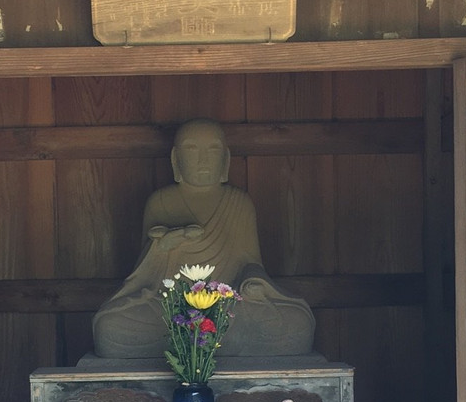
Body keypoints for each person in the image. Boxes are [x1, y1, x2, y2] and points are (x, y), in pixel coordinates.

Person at [92, 119, 315, 358]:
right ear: (175, 160)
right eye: (191, 149)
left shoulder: (239, 203)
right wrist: (162, 247)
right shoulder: (160, 202)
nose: (203, 159)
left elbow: (251, 263)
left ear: (226, 160)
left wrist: (254, 283)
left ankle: (198, 341)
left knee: (298, 323)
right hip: (171, 309)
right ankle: (210, 341)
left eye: (213, 149)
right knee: (109, 326)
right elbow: (146, 276)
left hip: (228, 308)